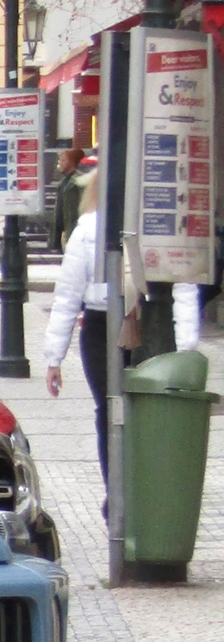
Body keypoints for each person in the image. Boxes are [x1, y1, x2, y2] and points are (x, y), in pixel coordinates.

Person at [43, 164, 204, 484]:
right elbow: (67, 295)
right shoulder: (94, 228)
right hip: (127, 323)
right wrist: (53, 357)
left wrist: (54, 359)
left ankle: (120, 490)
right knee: (121, 409)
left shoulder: (94, 226)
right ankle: (123, 492)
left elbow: (67, 297)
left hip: (120, 325)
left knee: (113, 410)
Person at [51, 146, 87, 251]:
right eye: (59, 160)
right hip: (65, 232)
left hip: (73, 232)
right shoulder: (63, 182)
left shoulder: (78, 181)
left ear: (71, 162)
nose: (59, 163)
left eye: (63, 160)